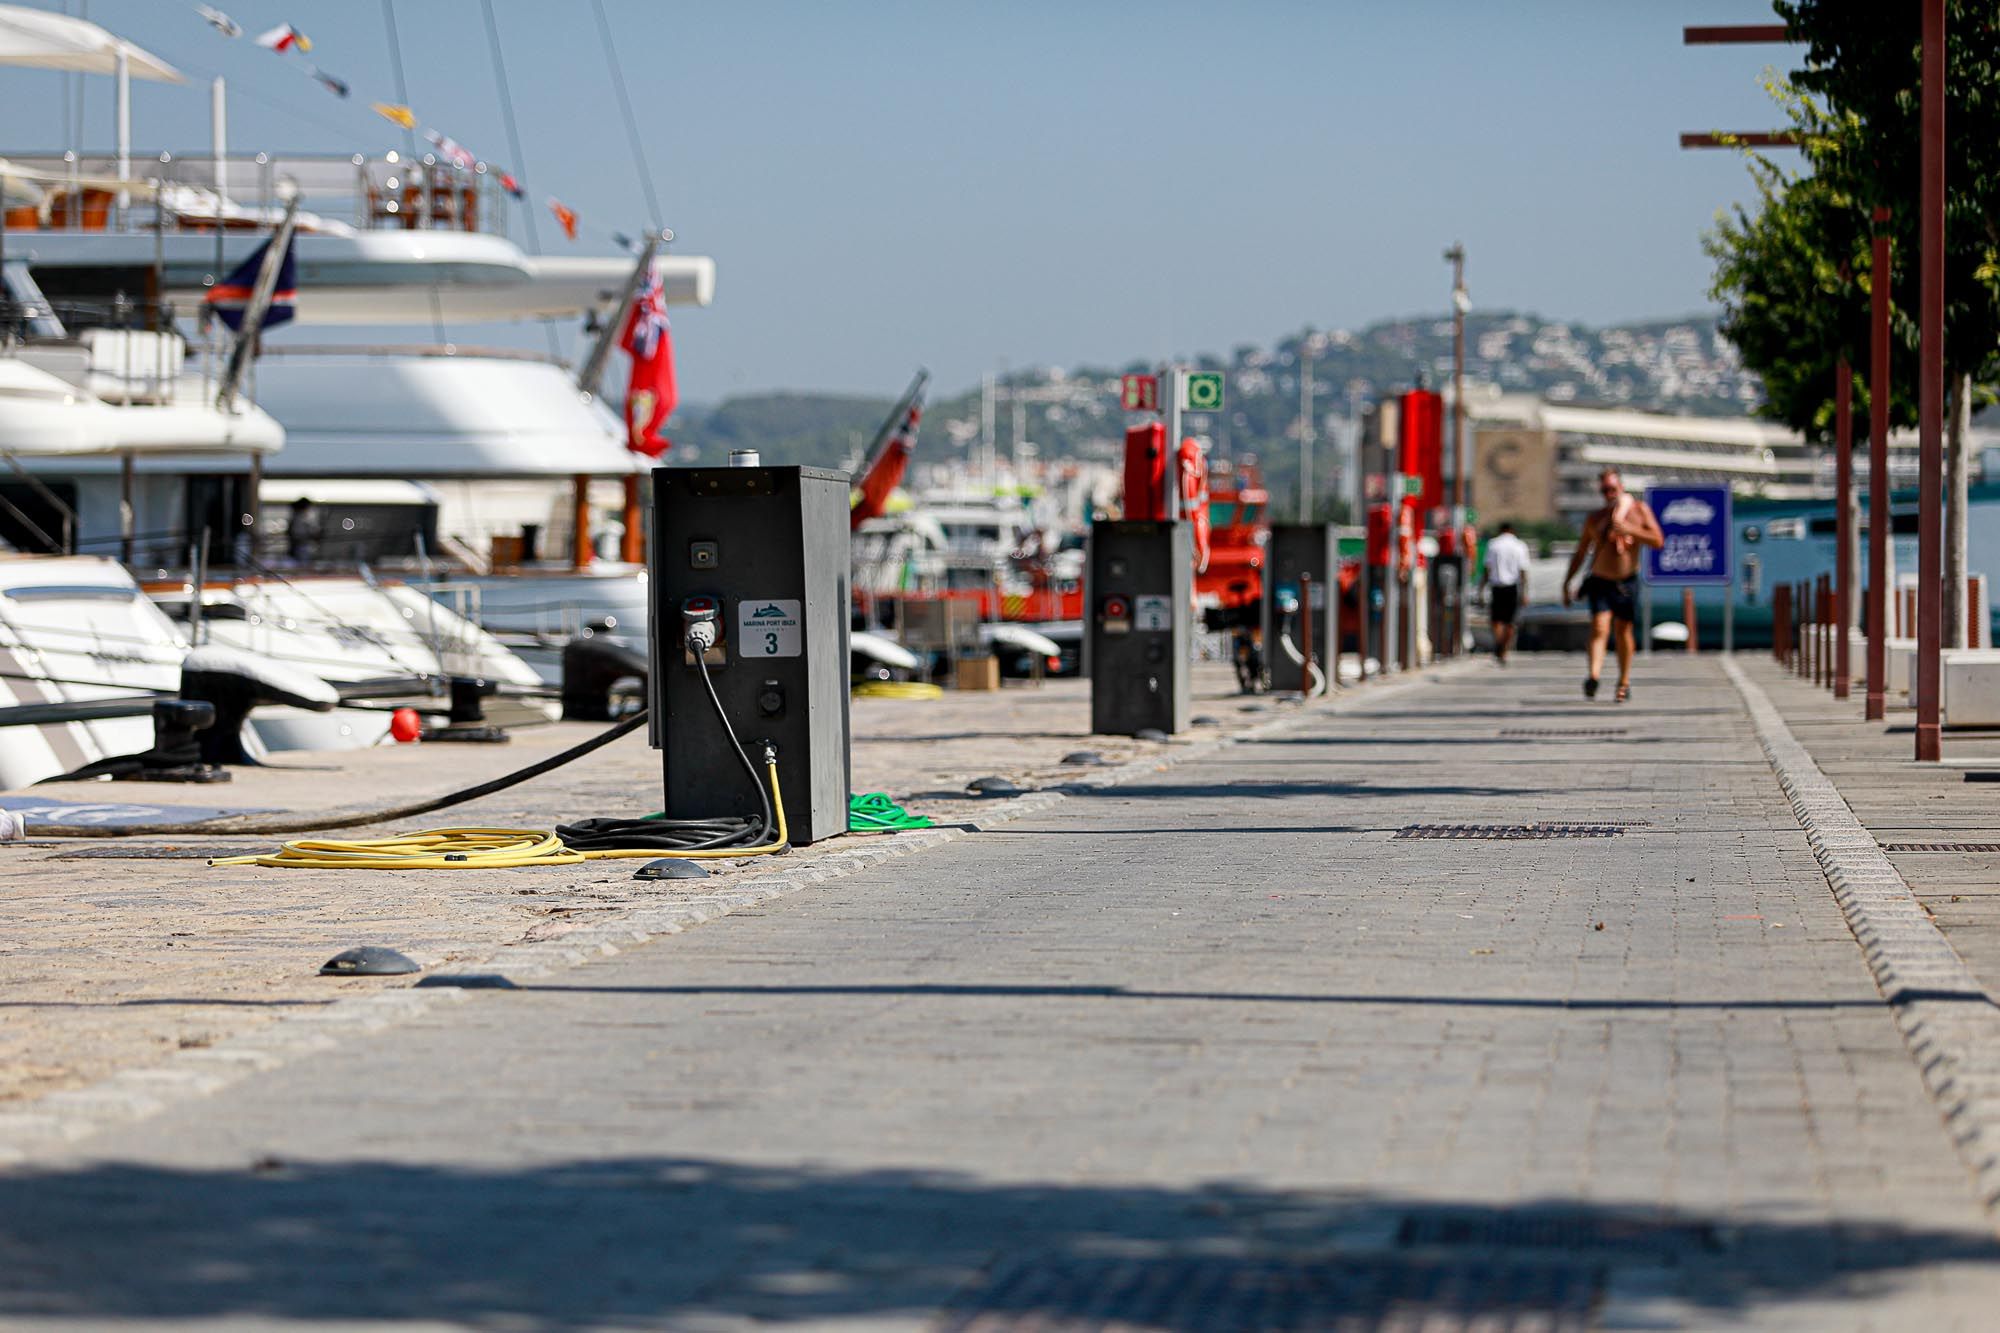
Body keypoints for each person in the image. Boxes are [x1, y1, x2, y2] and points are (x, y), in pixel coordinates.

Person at [1562, 469, 1663, 702]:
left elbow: (1657, 540)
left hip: (1626, 580)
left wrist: (1629, 530)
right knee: (1599, 626)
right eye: (1604, 490)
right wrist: (1567, 582)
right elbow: (1580, 553)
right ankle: (1594, 676)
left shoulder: (1639, 511)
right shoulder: (1596, 518)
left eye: (1612, 489)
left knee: (1623, 630)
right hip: (1600, 580)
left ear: (1621, 487)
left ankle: (1624, 681)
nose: (1608, 494)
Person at [1484, 521, 1531, 665]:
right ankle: (1503, 649)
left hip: (1497, 587)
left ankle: (1499, 643)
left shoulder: (1493, 544)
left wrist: (1481, 588)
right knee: (1510, 622)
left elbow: (1487, 569)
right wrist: (1524, 592)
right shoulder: (1520, 545)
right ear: (1512, 530)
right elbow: (1523, 571)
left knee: (1496, 620)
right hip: (1512, 587)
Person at [285, 497, 321, 565]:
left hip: (303, 547)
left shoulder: (302, 517)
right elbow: (297, 534)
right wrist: (313, 535)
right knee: (302, 566)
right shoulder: (298, 518)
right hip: (301, 547)